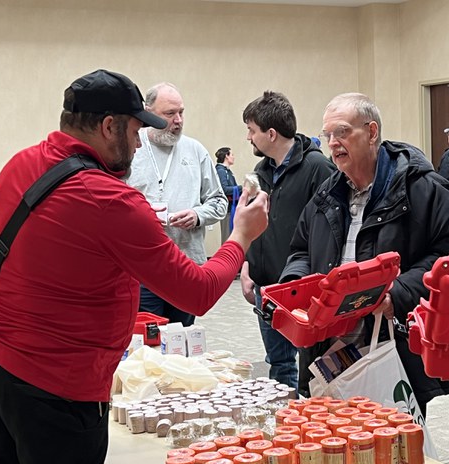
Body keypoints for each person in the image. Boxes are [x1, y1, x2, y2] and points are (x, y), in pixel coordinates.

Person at [0, 69, 268, 464]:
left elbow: (50, 262)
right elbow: (196, 288)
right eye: (135, 130)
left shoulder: (20, 165)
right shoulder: (109, 199)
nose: (139, 141)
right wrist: (240, 236)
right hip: (55, 387)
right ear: (108, 126)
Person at [282, 93, 449, 464]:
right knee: (348, 455)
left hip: (393, 348)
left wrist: (401, 290)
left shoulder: (422, 187)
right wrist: (298, 286)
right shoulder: (329, 191)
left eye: (342, 133)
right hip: (334, 348)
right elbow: (301, 248)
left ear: (371, 132)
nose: (332, 144)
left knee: (397, 459)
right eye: (327, 135)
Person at [240, 90, 335, 392]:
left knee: (308, 366)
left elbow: (327, 231)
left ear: (271, 133)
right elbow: (254, 225)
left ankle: (305, 426)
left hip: (299, 287)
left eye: (251, 130)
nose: (248, 138)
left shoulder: (318, 169)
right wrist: (246, 266)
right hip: (264, 287)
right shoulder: (261, 171)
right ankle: (283, 426)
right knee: (278, 363)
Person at [127, 82, 228, 326]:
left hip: (187, 267)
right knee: (147, 345)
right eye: (170, 114)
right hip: (143, 270)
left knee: (181, 342)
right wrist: (141, 214)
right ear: (148, 112)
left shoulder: (195, 151)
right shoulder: (131, 146)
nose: (179, 120)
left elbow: (219, 201)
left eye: (181, 112)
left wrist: (197, 215)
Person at [214, 146, 241, 246]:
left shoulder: (227, 171)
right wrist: (242, 188)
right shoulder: (221, 171)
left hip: (232, 209)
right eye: (232, 154)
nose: (234, 157)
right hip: (227, 210)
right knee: (227, 238)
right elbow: (225, 190)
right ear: (226, 156)